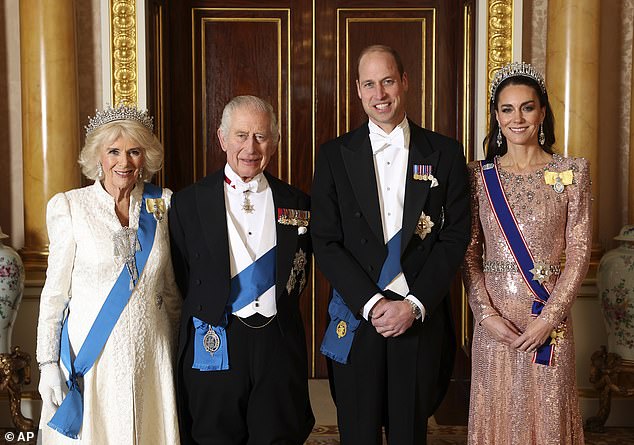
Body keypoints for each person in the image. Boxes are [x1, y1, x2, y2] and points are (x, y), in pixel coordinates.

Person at [311, 44, 470, 445]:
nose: (379, 94)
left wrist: (413, 305)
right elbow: (325, 240)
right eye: (369, 84)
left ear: (404, 82)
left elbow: (454, 236)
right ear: (358, 91)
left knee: (409, 434)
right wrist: (373, 304)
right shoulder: (333, 155)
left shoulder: (445, 152)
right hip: (359, 313)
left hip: (417, 315)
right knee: (358, 434)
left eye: (387, 81)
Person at [169, 95, 314, 445]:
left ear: (275, 143)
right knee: (213, 436)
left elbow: (300, 274)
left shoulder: (298, 203)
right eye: (241, 135)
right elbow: (181, 275)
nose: (251, 147)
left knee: (277, 435)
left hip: (277, 343)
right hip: (216, 338)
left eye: (261, 136)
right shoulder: (188, 202)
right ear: (222, 139)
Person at [36, 104, 181, 444]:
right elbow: (55, 295)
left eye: (134, 151)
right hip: (93, 359)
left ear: (146, 156)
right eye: (113, 151)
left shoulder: (164, 205)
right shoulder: (70, 206)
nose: (124, 162)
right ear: (97, 157)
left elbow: (171, 289)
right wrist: (46, 364)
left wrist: (176, 355)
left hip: (152, 356)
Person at [463, 61, 591, 444]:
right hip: (496, 326)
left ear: (542, 111)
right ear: (496, 117)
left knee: (548, 416)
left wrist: (548, 320)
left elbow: (581, 251)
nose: (517, 118)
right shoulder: (478, 176)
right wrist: (485, 316)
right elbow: (469, 254)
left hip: (549, 325)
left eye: (527, 107)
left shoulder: (572, 171)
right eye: (507, 109)